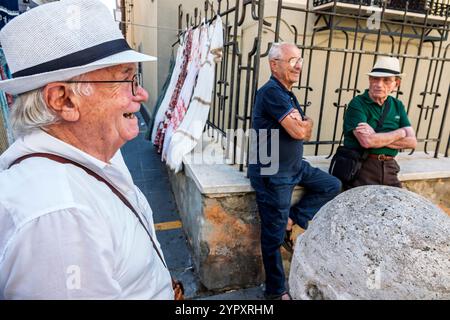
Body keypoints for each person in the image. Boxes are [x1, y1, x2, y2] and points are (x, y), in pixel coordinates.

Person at [0, 0, 174, 299]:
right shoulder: (59, 217)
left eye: (136, 78)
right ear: (63, 100)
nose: (141, 94)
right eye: (125, 80)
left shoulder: (95, 151)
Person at [248, 43, 342, 300]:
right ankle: (276, 292)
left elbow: (302, 129)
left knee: (331, 185)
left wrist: (303, 124)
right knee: (272, 237)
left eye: (299, 60)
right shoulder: (271, 93)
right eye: (291, 61)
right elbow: (301, 131)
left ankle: (293, 218)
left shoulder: (286, 93)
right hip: (273, 173)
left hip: (295, 167)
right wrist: (305, 122)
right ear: (274, 64)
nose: (298, 65)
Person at [342, 56, 417, 188]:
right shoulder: (357, 104)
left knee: (397, 205)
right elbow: (367, 142)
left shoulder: (397, 105)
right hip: (363, 167)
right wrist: (401, 132)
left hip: (390, 167)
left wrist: (376, 136)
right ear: (370, 80)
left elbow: (412, 142)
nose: (379, 84)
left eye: (386, 80)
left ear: (396, 84)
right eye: (375, 78)